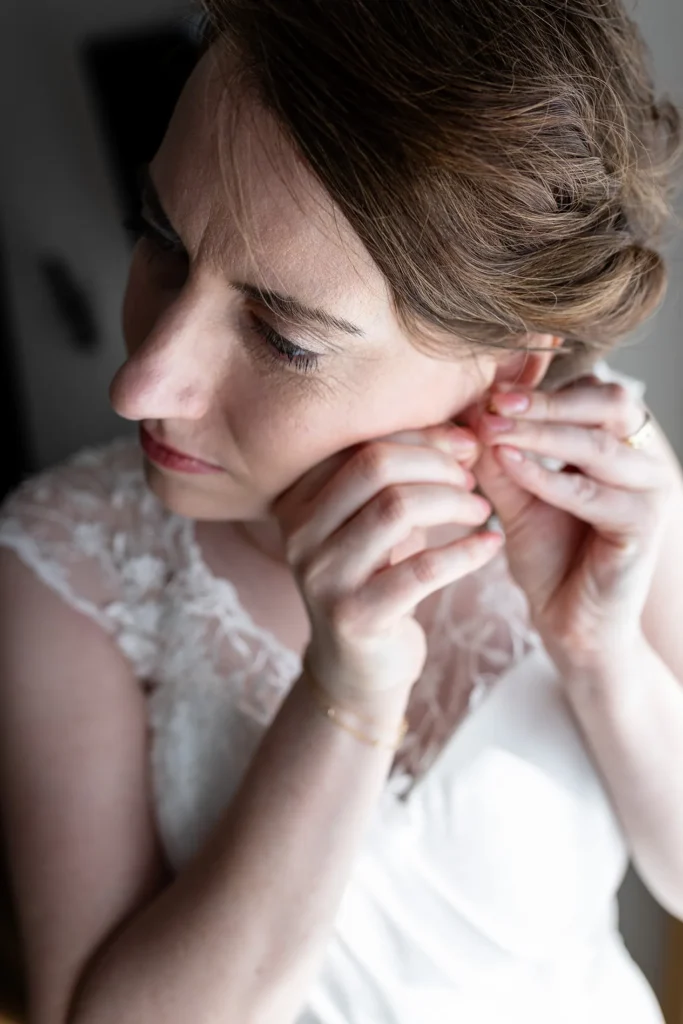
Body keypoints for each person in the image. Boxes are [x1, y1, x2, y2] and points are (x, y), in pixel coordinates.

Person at [1, 1, 682, 1022]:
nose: (138, 383)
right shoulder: (63, 566)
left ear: (509, 362)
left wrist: (597, 651)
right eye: (162, 240)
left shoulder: (601, 489)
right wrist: (344, 697)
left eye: (281, 337)